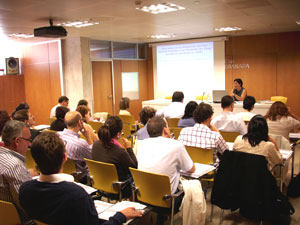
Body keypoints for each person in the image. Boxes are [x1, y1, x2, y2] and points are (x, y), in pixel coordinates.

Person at [19, 132, 143, 225]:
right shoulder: (77, 195)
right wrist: (120, 216)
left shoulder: (25, 190)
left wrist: (86, 208)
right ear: (64, 157)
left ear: (34, 159)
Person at [136, 116, 195, 225]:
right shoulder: (176, 145)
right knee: (201, 190)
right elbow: (191, 169)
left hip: (143, 197)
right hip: (168, 202)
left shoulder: (141, 144)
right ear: (165, 130)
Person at [0, 120, 35, 225]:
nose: (29, 144)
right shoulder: (15, 166)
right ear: (17, 141)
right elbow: (28, 206)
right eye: (28, 140)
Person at [92, 116, 137, 197]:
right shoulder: (120, 152)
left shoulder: (95, 145)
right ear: (118, 134)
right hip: (118, 189)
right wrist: (129, 148)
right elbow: (134, 168)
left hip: (100, 186)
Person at [57, 111, 93, 184]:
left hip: (60, 174)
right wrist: (88, 137)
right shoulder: (81, 143)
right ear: (80, 123)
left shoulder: (57, 135)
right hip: (80, 179)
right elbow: (94, 158)